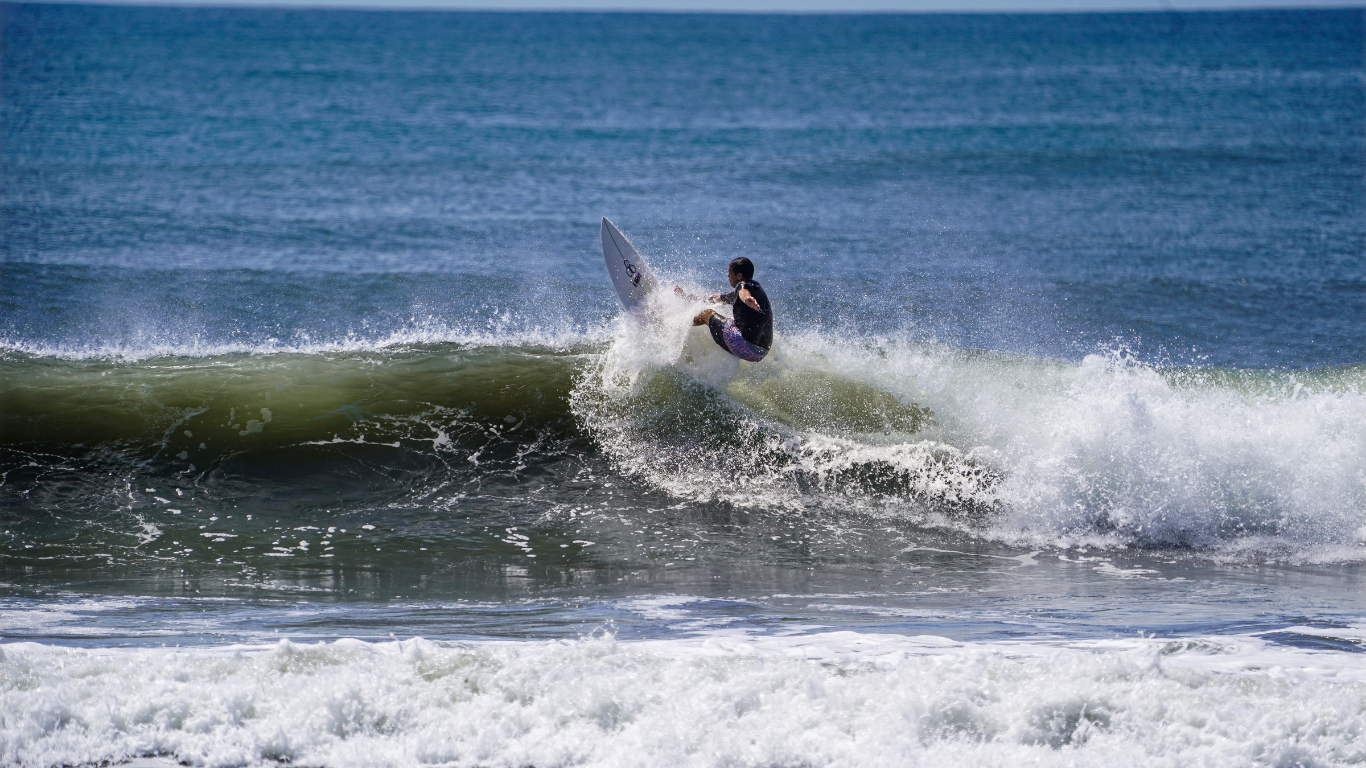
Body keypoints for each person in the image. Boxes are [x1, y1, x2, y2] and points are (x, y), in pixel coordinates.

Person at [674, 257, 773, 362]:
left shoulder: (742, 286)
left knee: (707, 314)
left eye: (730, 273)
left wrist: (747, 299)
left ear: (739, 276)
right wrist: (687, 297)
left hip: (744, 346)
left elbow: (743, 292)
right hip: (760, 353)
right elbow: (715, 298)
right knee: (730, 323)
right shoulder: (756, 290)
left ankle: (680, 325)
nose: (728, 276)